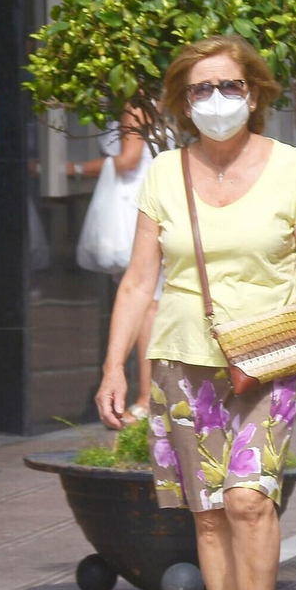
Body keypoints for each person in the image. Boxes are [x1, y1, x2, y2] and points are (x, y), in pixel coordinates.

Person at [95, 34, 296, 590]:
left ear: (255, 92)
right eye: (200, 90)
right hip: (183, 360)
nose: (215, 101)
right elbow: (139, 280)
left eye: (228, 87)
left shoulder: (291, 167)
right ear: (182, 102)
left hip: (270, 359)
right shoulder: (165, 174)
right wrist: (115, 366)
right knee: (207, 516)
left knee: (248, 498)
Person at [72, 105, 169, 421]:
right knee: (150, 301)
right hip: (148, 203)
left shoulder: (135, 107)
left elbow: (128, 159)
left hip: (135, 207)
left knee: (146, 305)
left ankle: (144, 397)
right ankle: (150, 395)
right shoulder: (163, 103)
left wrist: (71, 168)